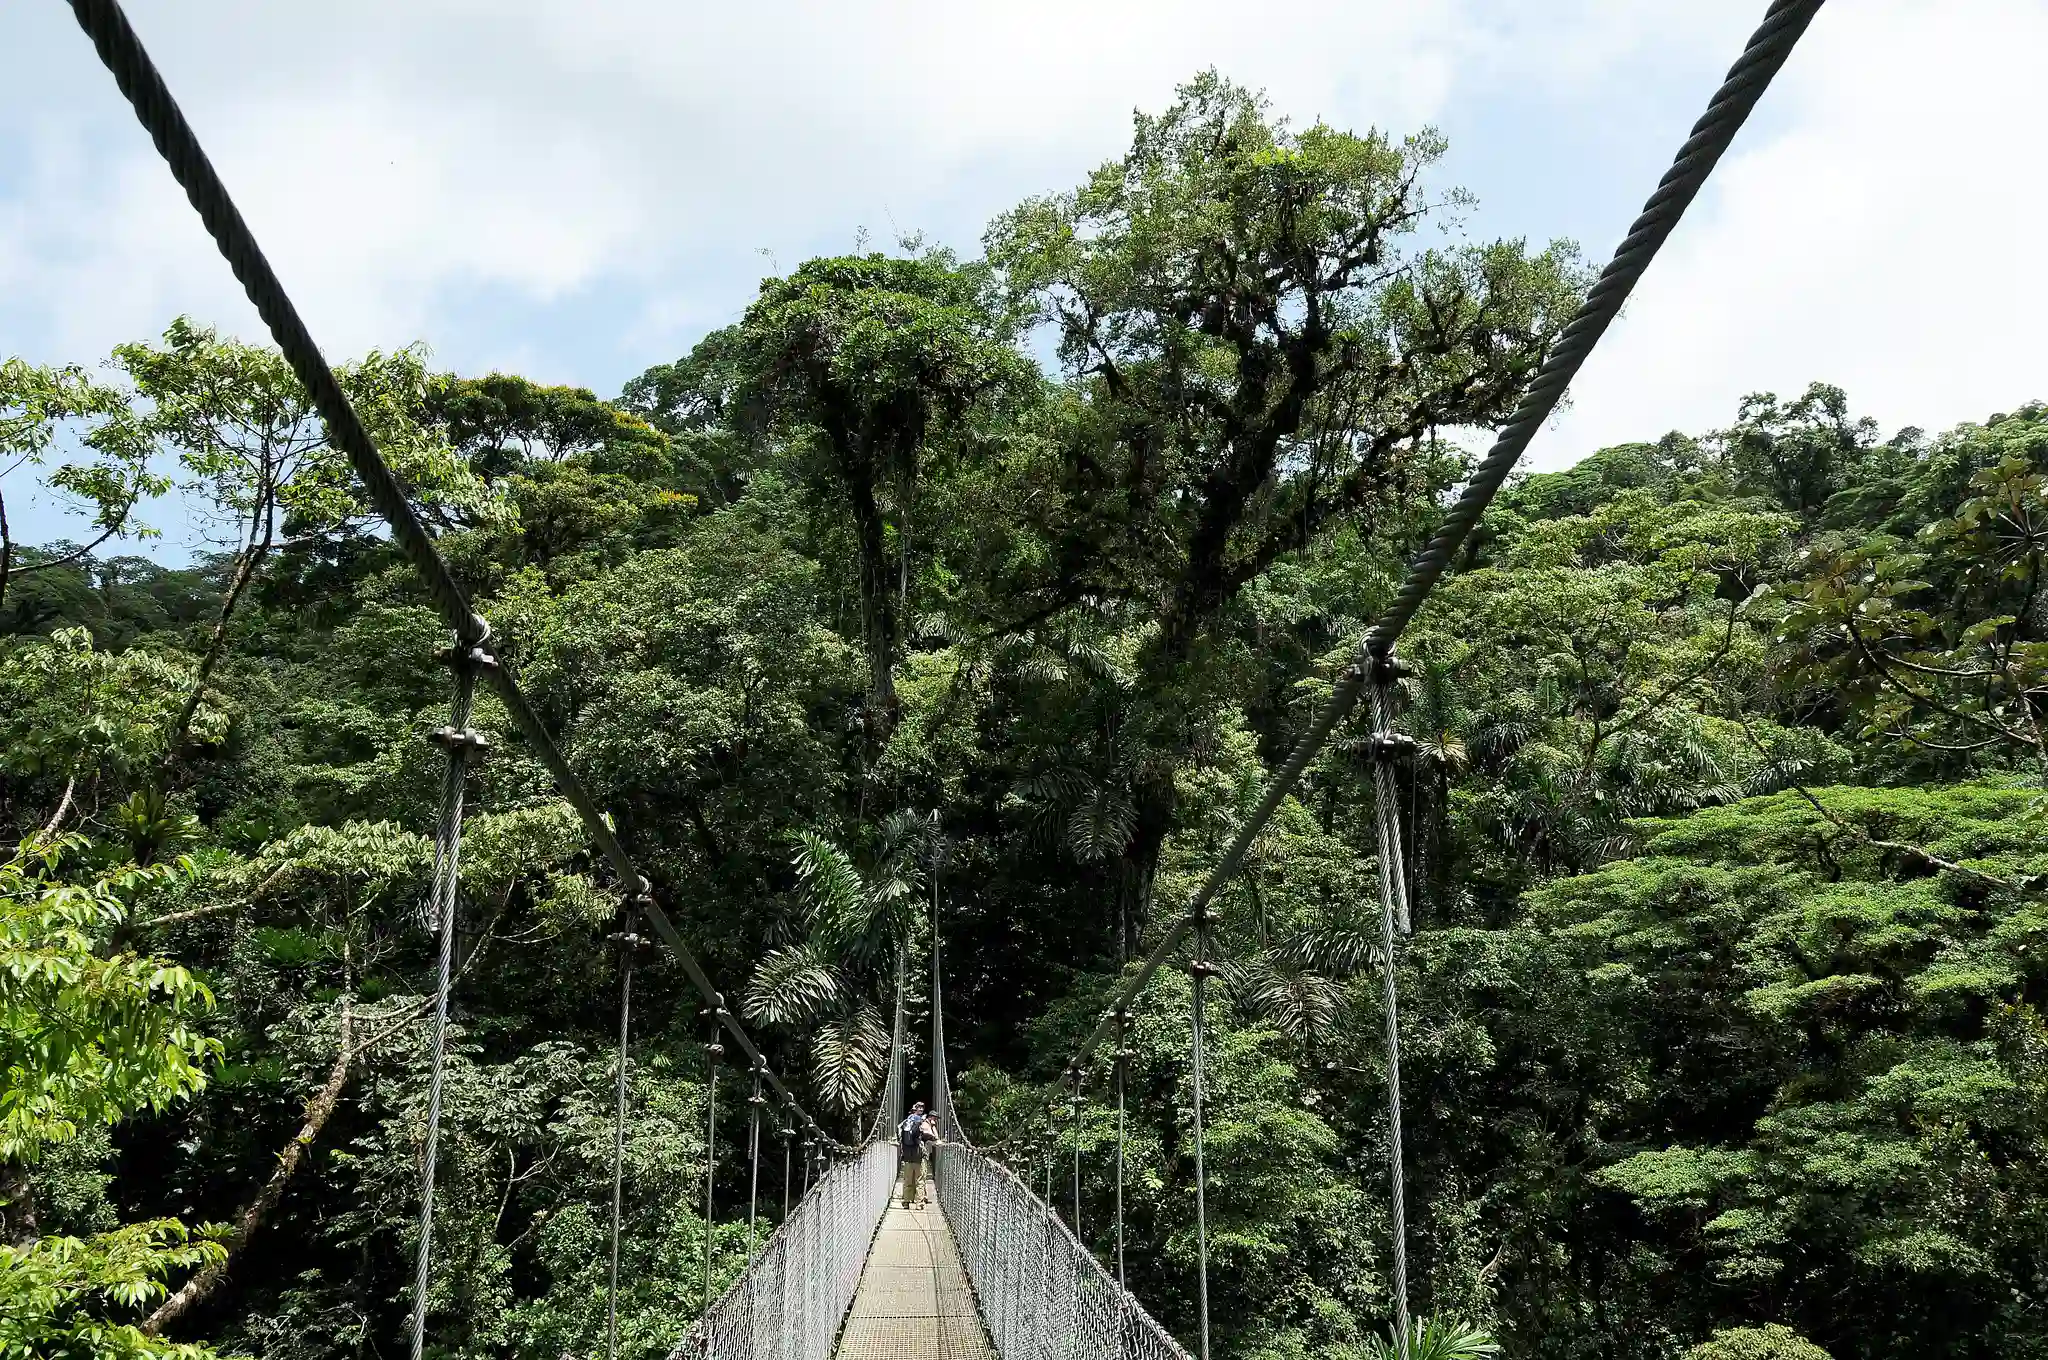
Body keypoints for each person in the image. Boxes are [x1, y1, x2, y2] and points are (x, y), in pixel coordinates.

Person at [898, 1101, 934, 1207]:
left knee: (907, 1180)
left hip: (908, 1156)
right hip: (919, 1156)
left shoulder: (906, 1122)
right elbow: (925, 1135)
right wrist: (932, 1137)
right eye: (920, 1107)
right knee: (920, 1180)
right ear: (917, 1108)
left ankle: (906, 1202)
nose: (921, 1109)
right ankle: (919, 1203)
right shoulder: (921, 1121)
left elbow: (899, 1133)